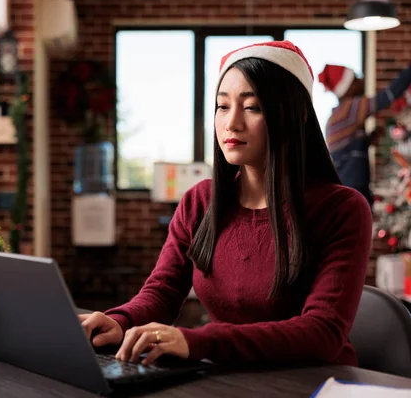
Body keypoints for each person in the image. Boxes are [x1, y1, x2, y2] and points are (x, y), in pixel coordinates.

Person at [80, 41, 373, 367]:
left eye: (253, 107)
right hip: (229, 378)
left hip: (314, 383)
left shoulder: (342, 209)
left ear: (298, 114)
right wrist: (119, 321)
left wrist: (196, 341)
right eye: (222, 106)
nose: (231, 123)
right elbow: (162, 292)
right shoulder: (199, 202)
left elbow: (322, 333)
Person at [318, 62, 411, 205]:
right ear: (349, 86)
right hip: (354, 189)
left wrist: (365, 140)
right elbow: (388, 95)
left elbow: (345, 152)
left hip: (345, 189)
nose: (362, 82)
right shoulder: (350, 107)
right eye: (356, 79)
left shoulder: (336, 116)